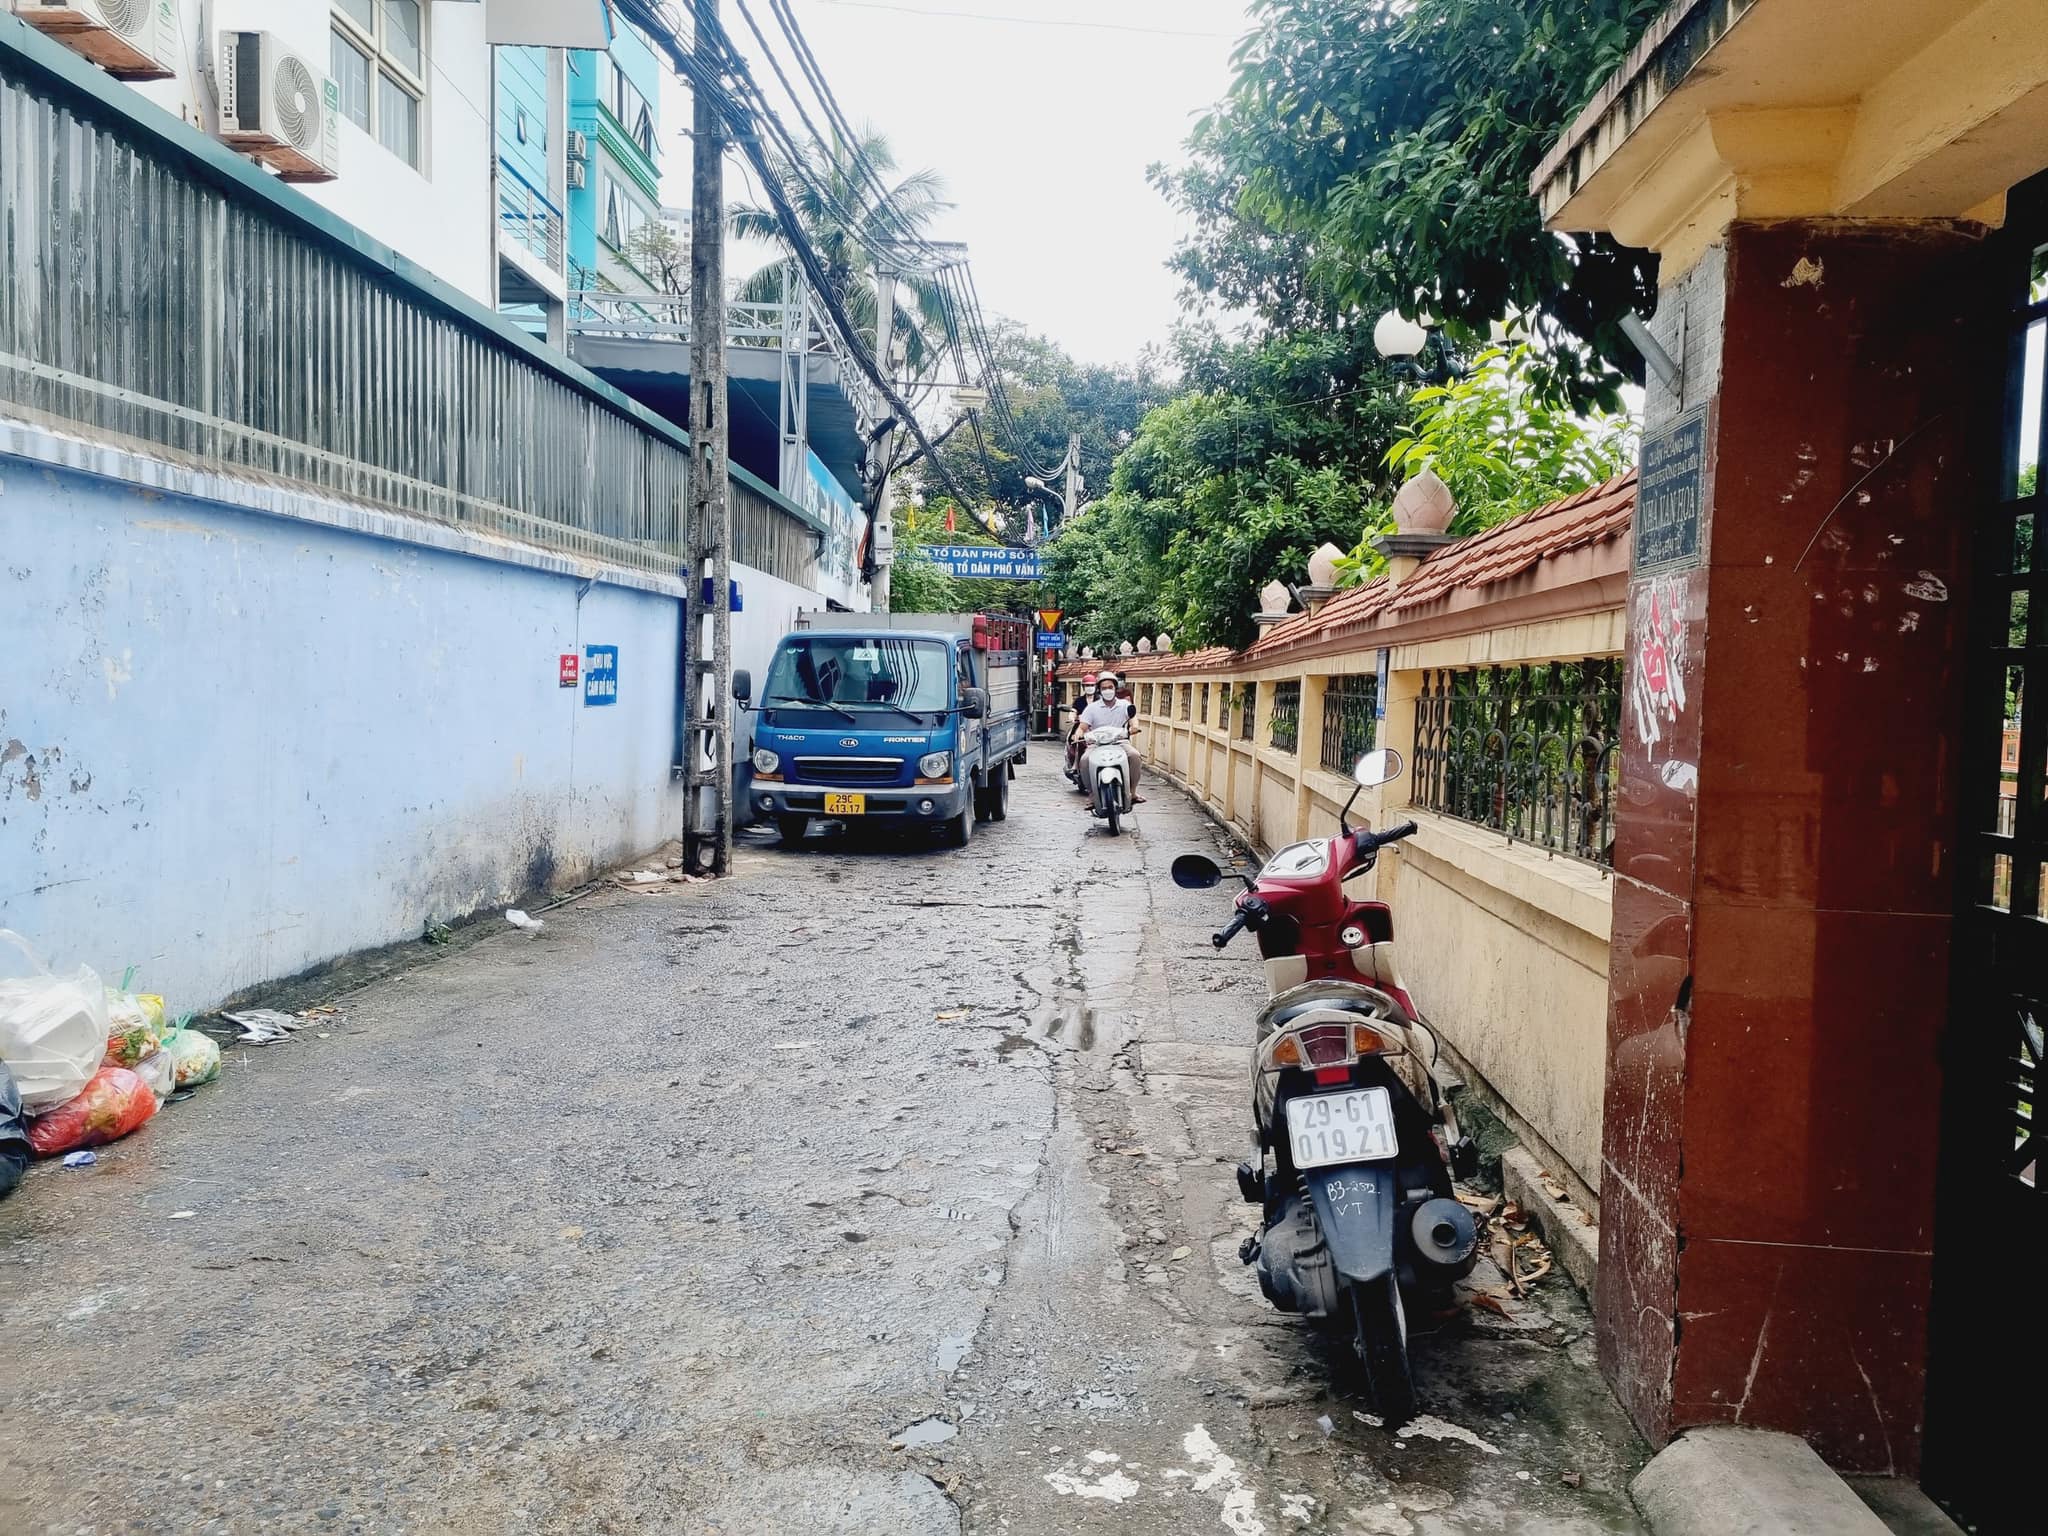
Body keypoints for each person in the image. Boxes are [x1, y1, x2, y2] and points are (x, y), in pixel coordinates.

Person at [1071, 673, 1144, 803]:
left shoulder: (1124, 705)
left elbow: (1133, 718)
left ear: (1115, 688)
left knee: (1135, 756)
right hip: (1096, 744)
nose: (1107, 690)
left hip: (1120, 742)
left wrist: (1134, 727)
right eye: (1104, 688)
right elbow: (1082, 727)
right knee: (1085, 760)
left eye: (1110, 687)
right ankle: (1092, 794)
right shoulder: (1091, 708)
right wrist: (1078, 734)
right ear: (1099, 690)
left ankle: (1132, 792)